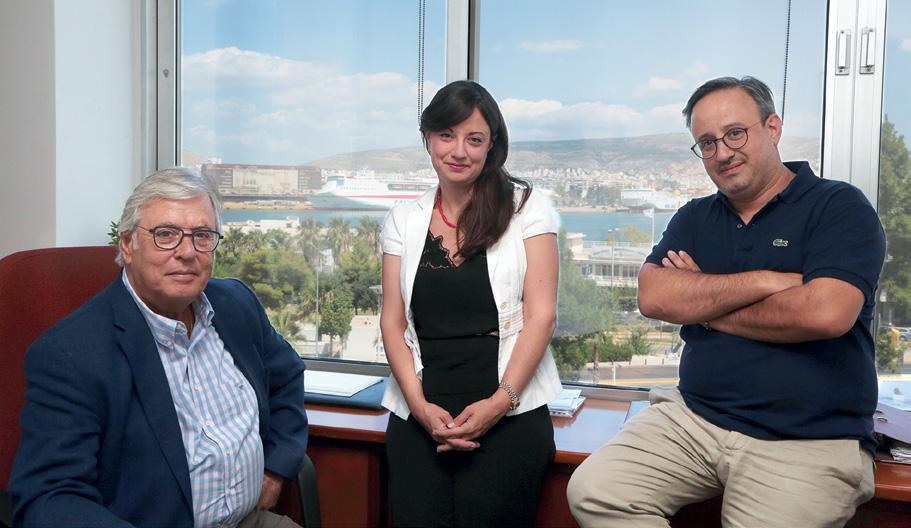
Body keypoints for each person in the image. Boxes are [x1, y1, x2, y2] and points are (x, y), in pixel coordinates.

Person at [567, 76, 886, 528]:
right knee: (596, 491)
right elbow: (653, 296)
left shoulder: (839, 207)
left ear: (772, 128)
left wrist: (705, 307)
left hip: (808, 439)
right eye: (707, 143)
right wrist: (767, 281)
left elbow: (825, 313)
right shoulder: (695, 217)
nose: (722, 152)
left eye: (735, 133)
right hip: (694, 419)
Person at [9, 168, 308, 528]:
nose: (187, 252)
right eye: (166, 234)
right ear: (127, 245)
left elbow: (287, 377)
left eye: (202, 235)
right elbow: (50, 497)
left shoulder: (236, 305)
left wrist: (276, 468)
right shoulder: (70, 353)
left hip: (250, 519)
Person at [380, 80, 562, 527]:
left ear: (491, 144)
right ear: (428, 137)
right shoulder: (403, 219)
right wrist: (419, 408)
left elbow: (541, 316)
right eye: (447, 135)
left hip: (510, 414)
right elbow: (392, 321)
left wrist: (499, 403)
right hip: (420, 415)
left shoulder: (527, 208)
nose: (459, 151)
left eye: (474, 139)